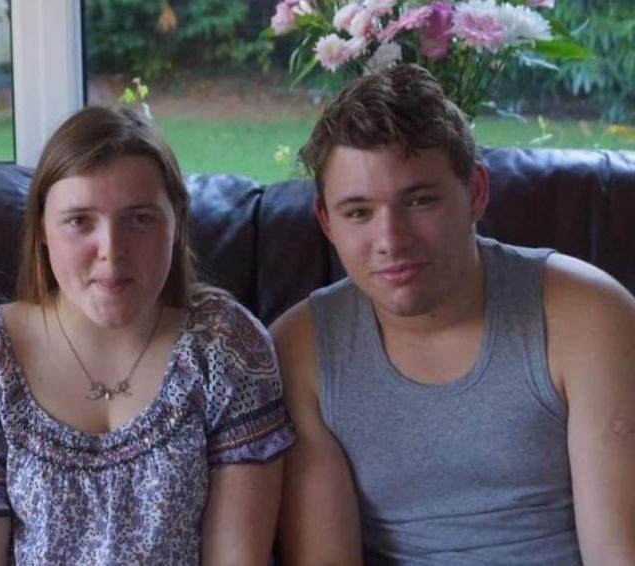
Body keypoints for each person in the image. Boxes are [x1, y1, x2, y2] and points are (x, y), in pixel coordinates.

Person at [272, 63, 635, 565]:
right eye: (358, 212)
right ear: (327, 222)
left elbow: (618, 553)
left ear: (476, 193)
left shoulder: (589, 314)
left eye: (419, 201)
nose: (391, 241)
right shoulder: (300, 351)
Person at [0, 105, 295, 564]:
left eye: (139, 219)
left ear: (178, 223)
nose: (111, 251)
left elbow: (237, 559)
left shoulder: (228, 346)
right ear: (43, 232)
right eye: (79, 221)